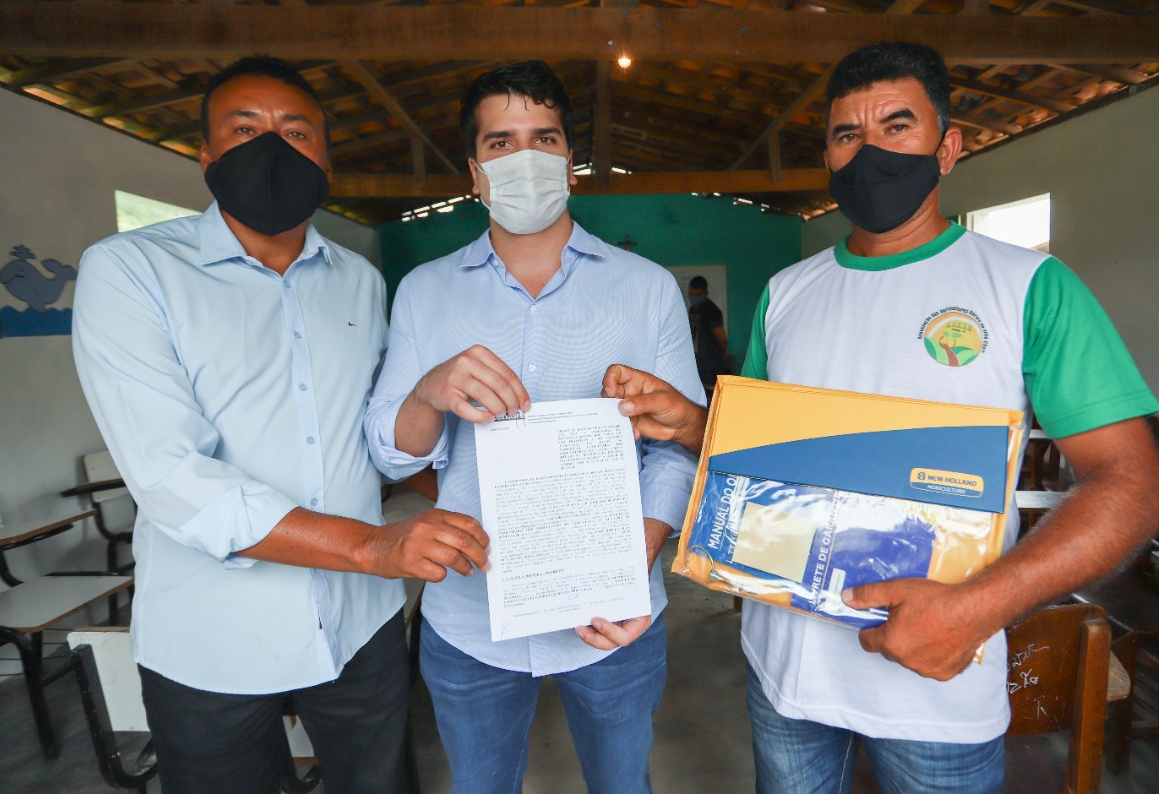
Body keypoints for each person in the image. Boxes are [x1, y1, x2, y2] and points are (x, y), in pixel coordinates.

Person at [605, 42, 1159, 794]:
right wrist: (691, 422)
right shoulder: (788, 291)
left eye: (896, 125)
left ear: (949, 145)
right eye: (847, 134)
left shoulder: (1029, 287)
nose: (869, 150)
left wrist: (976, 609)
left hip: (935, 680)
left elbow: (1133, 485)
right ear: (829, 158)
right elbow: (777, 453)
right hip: (786, 670)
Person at [72, 56, 489, 794]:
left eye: (296, 132)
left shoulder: (358, 280)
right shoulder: (131, 271)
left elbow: (376, 435)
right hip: (213, 639)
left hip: (358, 629)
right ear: (205, 154)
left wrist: (497, 500)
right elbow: (173, 477)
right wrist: (371, 544)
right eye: (245, 129)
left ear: (326, 158)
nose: (273, 147)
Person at [363, 60, 703, 794]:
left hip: (614, 617)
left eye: (543, 139)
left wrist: (634, 557)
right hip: (470, 615)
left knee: (623, 784)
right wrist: (429, 389)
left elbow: (674, 449)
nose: (523, 159)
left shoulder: (644, 290)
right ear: (475, 174)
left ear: (570, 165)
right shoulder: (424, 293)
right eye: (500, 143)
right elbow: (392, 453)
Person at [686, 274, 728, 393]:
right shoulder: (692, 309)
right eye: (691, 294)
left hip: (710, 363)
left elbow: (721, 336)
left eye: (697, 294)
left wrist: (723, 350)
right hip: (696, 361)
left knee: (710, 395)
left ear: (705, 293)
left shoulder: (712, 311)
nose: (693, 297)